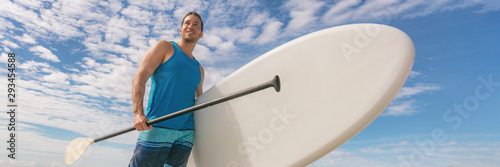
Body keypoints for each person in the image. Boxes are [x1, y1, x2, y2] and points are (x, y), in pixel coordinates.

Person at [129, 11, 205, 167]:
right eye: (187, 23)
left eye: (196, 24)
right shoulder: (165, 47)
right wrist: (138, 113)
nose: (191, 26)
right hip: (156, 127)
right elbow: (140, 76)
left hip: (186, 134)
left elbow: (200, 101)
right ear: (181, 29)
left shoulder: (199, 69)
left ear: (201, 34)